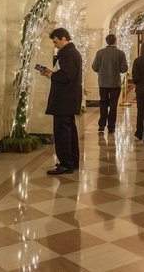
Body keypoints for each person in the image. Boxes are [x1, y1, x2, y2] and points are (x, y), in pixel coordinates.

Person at [42, 27, 82, 176]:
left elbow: (66, 76)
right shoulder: (72, 52)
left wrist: (51, 75)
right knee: (70, 130)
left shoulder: (67, 54)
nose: (55, 45)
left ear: (64, 38)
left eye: (56, 42)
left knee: (62, 132)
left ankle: (66, 163)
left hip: (64, 99)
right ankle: (72, 160)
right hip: (69, 99)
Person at [92, 33, 128, 134]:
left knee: (103, 103)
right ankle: (111, 126)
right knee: (113, 105)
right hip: (115, 83)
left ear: (106, 41)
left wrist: (102, 70)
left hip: (102, 82)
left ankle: (101, 125)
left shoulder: (100, 52)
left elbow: (94, 67)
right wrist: (116, 69)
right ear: (115, 41)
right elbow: (124, 68)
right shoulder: (120, 53)